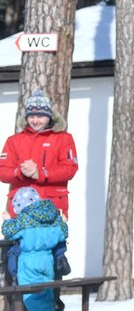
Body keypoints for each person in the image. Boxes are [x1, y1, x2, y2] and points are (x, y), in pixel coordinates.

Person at [1, 89, 79, 219]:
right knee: (20, 239)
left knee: (52, 238)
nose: (35, 121)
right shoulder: (13, 141)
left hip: (52, 203)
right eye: (31, 116)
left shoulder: (64, 139)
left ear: (49, 117)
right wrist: (20, 173)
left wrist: (41, 174)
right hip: (21, 205)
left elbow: (70, 169)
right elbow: (2, 171)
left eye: (40, 116)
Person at [1, 186, 67, 311]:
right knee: (46, 292)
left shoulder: (25, 219)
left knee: (31, 297)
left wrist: (7, 221)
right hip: (47, 260)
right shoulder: (51, 216)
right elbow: (63, 232)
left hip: (30, 261)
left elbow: (9, 232)